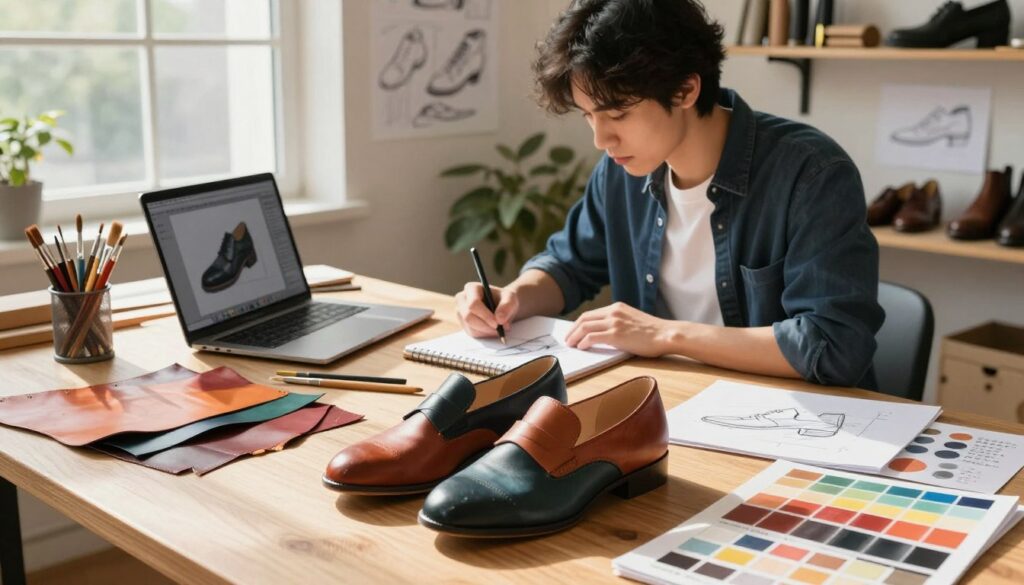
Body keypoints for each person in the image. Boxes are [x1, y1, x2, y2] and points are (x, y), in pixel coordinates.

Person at [454, 0, 884, 389]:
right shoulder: (622, 169)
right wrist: (513, 298)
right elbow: (569, 265)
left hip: (794, 418)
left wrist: (665, 334)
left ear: (685, 90)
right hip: (670, 400)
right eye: (588, 116)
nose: (601, 139)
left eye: (618, 113)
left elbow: (834, 345)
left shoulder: (811, 174)